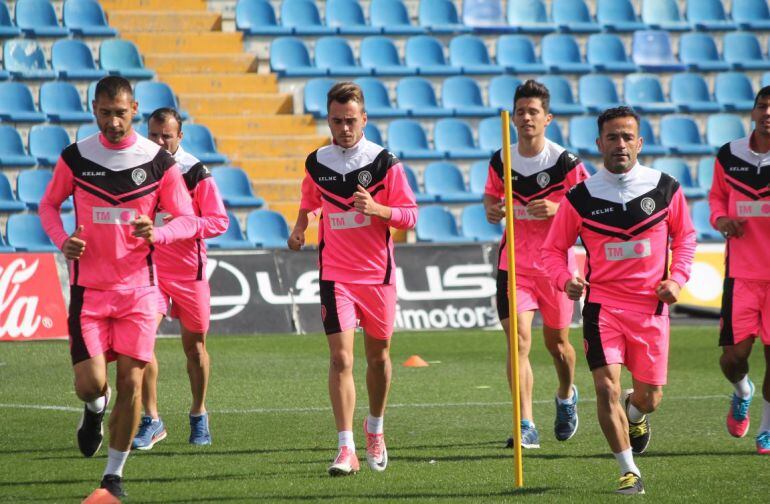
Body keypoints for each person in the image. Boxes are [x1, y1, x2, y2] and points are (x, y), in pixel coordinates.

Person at [39, 76, 197, 500]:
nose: (113, 121)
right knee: (90, 384)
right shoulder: (75, 158)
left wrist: (157, 234)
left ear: (135, 109)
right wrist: (62, 241)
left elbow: (186, 218)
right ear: (94, 110)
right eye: (105, 113)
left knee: (131, 382)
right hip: (89, 291)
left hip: (140, 292)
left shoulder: (159, 162)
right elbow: (49, 205)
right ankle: (93, 409)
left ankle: (113, 476)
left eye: (121, 113)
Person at [542, 106, 696, 494]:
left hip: (651, 310)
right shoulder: (580, 196)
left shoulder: (665, 188)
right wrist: (565, 280)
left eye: (628, 137)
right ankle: (629, 471)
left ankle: (636, 411)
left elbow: (687, 239)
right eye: (612, 137)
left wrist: (676, 280)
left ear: (640, 142)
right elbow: (551, 251)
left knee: (651, 397)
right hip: (602, 308)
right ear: (599, 144)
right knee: (605, 387)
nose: (620, 144)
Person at [287, 81, 417, 476]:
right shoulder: (317, 162)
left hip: (377, 276)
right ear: (328, 119)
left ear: (364, 119)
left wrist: (379, 209)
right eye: (336, 121)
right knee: (341, 358)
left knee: (378, 358)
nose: (343, 128)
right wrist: (299, 229)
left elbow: (410, 215)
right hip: (335, 274)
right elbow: (310, 203)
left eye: (350, 121)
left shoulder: (384, 163)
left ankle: (374, 428)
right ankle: (346, 448)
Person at [483, 79, 589, 449]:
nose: (526, 117)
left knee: (558, 345)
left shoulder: (565, 162)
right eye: (521, 112)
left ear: (548, 118)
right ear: (513, 118)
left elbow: (589, 211)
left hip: (556, 268)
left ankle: (565, 394)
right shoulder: (501, 158)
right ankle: (525, 422)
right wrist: (493, 210)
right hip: (514, 266)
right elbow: (490, 197)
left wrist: (560, 209)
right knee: (519, 343)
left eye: (533, 112)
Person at [131, 108, 229, 451]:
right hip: (151, 272)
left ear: (179, 137)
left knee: (196, 349)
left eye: (166, 136)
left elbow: (219, 222)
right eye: (153, 134)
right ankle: (152, 419)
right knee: (139, 344)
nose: (158, 141)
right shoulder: (137, 169)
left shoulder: (196, 172)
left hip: (190, 273)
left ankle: (199, 412)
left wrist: (178, 227)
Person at [709, 86, 770, 455]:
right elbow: (716, 196)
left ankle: (766, 429)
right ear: (752, 112)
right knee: (733, 357)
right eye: (763, 106)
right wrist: (720, 218)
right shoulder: (729, 155)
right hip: (742, 275)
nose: (768, 113)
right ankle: (742, 390)